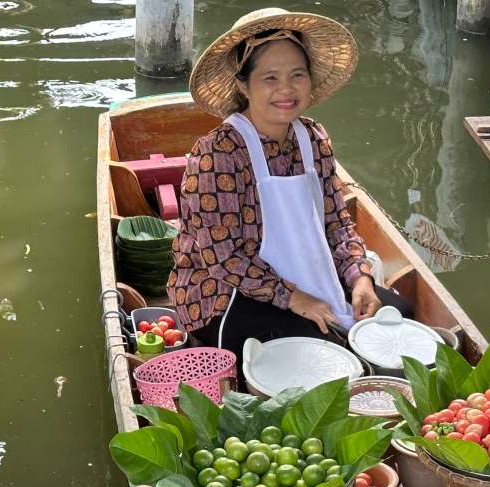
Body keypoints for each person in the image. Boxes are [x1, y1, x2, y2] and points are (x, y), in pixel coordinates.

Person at [167, 9, 402, 361]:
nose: (286, 90)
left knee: (399, 318)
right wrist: (296, 299)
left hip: (307, 274)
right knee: (326, 353)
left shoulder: (313, 137)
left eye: (297, 75)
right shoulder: (217, 154)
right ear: (243, 85)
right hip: (222, 293)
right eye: (270, 78)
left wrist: (360, 278)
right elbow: (224, 259)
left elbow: (337, 224)